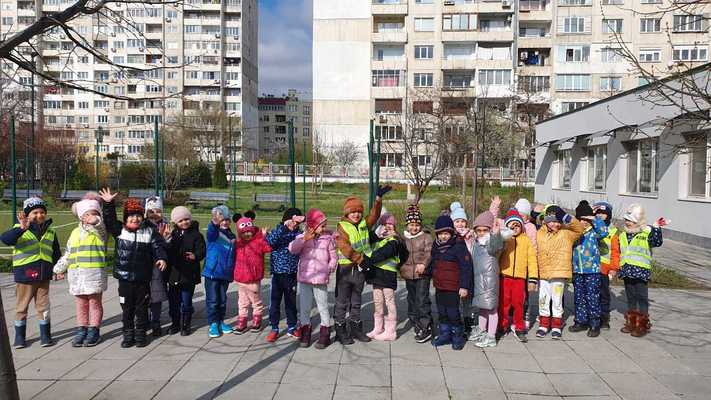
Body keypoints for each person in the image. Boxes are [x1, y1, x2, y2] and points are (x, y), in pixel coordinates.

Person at [100, 189, 167, 348]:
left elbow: (158, 245)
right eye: (131, 216)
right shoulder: (120, 231)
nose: (135, 218)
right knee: (127, 308)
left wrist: (161, 257)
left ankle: (141, 334)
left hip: (142, 278)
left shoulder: (149, 231)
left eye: (138, 215)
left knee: (142, 307)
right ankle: (128, 334)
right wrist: (108, 203)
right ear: (125, 218)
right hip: (124, 279)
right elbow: (109, 220)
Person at [333, 185, 390, 345]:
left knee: (356, 300)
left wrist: (378, 199)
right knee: (342, 301)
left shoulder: (365, 223)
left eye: (358, 211)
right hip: (346, 270)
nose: (356, 214)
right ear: (347, 213)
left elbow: (374, 214)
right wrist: (360, 259)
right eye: (352, 212)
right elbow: (344, 247)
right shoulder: (342, 227)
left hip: (360, 270)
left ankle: (356, 328)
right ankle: (340, 329)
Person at [2, 197, 61, 348]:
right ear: (27, 215)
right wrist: (21, 228)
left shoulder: (50, 231)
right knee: (22, 307)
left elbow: (55, 252)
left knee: (44, 306)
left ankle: (45, 335)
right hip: (25, 276)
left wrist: (58, 269)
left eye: (42, 212)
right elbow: (6, 239)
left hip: (44, 275)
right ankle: (20, 337)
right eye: (35, 212)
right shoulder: (20, 228)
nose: (39, 215)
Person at [53, 194, 109, 347]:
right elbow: (69, 254)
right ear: (81, 217)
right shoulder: (75, 233)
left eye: (94, 213)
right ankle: (82, 329)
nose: (91, 217)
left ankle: (94, 329)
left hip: (94, 275)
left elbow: (102, 229)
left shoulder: (100, 232)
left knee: (94, 304)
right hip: (77, 276)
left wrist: (97, 222)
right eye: (87, 214)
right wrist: (59, 269)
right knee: (81, 305)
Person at [289, 208, 337, 349]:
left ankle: (325, 332)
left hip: (320, 279)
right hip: (305, 278)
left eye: (324, 225)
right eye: (321, 226)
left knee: (323, 306)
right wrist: (304, 239)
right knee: (305, 307)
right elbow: (292, 249)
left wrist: (329, 268)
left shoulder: (327, 239)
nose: (323, 228)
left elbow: (333, 257)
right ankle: (305, 331)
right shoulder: (302, 237)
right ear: (313, 226)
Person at [535, 205, 585, 340]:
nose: (556, 224)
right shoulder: (540, 233)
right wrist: (535, 213)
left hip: (559, 273)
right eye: (552, 221)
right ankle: (544, 324)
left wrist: (565, 216)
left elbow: (580, 229)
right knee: (543, 299)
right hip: (544, 273)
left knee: (557, 301)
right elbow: (532, 222)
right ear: (545, 221)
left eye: (558, 221)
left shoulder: (567, 233)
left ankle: (556, 325)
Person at [618, 204, 666, 338]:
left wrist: (656, 228)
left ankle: (643, 324)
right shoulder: (623, 234)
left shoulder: (645, 233)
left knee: (642, 298)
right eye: (626, 220)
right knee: (631, 297)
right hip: (627, 270)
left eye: (631, 221)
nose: (627, 222)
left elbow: (657, 242)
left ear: (638, 221)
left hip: (641, 271)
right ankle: (632, 322)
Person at [428, 215, 473, 351]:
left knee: (453, 312)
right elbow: (433, 263)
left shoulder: (458, 245)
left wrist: (464, 286)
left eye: (446, 233)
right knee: (441, 311)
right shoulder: (436, 246)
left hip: (453, 287)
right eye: (440, 234)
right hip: (440, 285)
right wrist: (427, 272)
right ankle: (445, 334)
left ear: (451, 233)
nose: (443, 236)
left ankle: (457, 336)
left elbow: (466, 267)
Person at [362, 213, 409, 342]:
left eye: (390, 224)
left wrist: (366, 260)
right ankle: (378, 327)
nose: (387, 227)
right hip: (377, 275)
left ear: (394, 226)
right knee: (378, 301)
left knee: (389, 301)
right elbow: (368, 238)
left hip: (387, 276)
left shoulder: (394, 241)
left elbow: (383, 253)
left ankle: (391, 330)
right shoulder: (379, 239)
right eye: (384, 224)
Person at [497, 209, 538, 343]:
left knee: (519, 303)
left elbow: (532, 260)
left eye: (517, 225)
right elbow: (497, 255)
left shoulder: (526, 241)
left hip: (520, 278)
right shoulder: (505, 240)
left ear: (522, 226)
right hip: (505, 276)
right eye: (511, 225)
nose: (514, 228)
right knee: (504, 303)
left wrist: (532, 279)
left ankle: (519, 327)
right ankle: (502, 325)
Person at [569, 201, 608, 338]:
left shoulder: (594, 232)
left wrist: (594, 218)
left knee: (592, 297)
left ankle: (594, 323)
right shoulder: (574, 233)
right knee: (579, 297)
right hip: (577, 271)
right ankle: (581, 321)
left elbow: (604, 232)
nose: (584, 222)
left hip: (592, 271)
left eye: (586, 219)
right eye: (581, 219)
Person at [265, 208, 304, 342]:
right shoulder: (279, 231)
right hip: (277, 274)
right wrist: (284, 227)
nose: (295, 225)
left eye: (297, 223)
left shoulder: (299, 234)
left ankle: (292, 326)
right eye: (293, 222)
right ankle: (274, 327)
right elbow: (269, 241)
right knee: (274, 302)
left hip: (292, 274)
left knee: (291, 302)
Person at [166, 206, 206, 336]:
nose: (184, 222)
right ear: (175, 223)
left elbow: (202, 250)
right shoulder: (173, 234)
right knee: (173, 302)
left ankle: (186, 324)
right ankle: (175, 323)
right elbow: (168, 250)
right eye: (180, 221)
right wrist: (167, 240)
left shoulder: (196, 235)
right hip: (174, 274)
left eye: (186, 219)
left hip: (189, 274)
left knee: (186, 301)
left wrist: (196, 255)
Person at [470, 211, 505, 348]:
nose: (482, 233)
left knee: (491, 309)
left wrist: (496, 233)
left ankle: (491, 336)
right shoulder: (477, 243)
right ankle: (482, 330)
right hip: (479, 280)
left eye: (485, 230)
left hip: (489, 281)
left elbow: (497, 245)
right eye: (479, 230)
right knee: (482, 307)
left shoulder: (491, 243)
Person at [233, 214, 272, 334]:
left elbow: (268, 248)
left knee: (255, 300)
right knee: (242, 301)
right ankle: (242, 320)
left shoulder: (258, 242)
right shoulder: (238, 244)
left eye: (249, 232)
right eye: (243, 232)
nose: (246, 234)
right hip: (240, 279)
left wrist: (265, 236)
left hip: (253, 278)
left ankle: (257, 319)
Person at [400, 204, 434, 343]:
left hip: (422, 274)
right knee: (412, 299)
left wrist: (424, 264)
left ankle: (426, 326)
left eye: (417, 225)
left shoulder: (426, 237)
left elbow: (429, 252)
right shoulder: (403, 238)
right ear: (407, 225)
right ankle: (416, 322)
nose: (414, 228)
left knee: (422, 300)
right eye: (411, 224)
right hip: (408, 274)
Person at [203, 205, 236, 338]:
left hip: (225, 273)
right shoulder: (214, 233)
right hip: (212, 272)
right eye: (222, 219)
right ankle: (213, 323)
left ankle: (221, 321)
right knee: (213, 299)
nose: (225, 222)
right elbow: (211, 232)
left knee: (222, 299)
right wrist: (214, 223)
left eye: (227, 219)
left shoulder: (232, 236)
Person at [143, 196, 170, 337]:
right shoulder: (141, 225)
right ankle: (143, 319)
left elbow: (168, 248)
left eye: (158, 210)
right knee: (142, 295)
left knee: (156, 295)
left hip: (157, 267)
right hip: (142, 266)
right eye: (151, 211)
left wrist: (165, 239)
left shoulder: (165, 225)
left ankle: (156, 321)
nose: (154, 214)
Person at [449, 201, 476, 335]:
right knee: (455, 299)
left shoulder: (470, 236)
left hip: (468, 271)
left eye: (462, 221)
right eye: (457, 221)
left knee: (467, 299)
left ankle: (467, 320)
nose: (460, 224)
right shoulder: (451, 236)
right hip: (455, 273)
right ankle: (456, 321)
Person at [592, 201, 619, 330]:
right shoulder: (591, 227)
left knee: (603, 295)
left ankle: (604, 319)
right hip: (591, 267)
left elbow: (615, 252)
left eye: (604, 213)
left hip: (604, 269)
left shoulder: (612, 231)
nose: (601, 216)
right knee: (591, 293)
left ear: (608, 215)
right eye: (599, 213)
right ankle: (591, 317)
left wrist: (614, 268)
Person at [514, 198, 539, 331]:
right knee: (514, 293)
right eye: (518, 214)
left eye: (523, 215)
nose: (520, 217)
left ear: (528, 216)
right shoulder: (512, 224)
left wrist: (531, 265)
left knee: (525, 295)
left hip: (526, 265)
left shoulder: (530, 227)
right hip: (514, 265)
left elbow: (534, 246)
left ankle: (525, 316)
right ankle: (514, 315)